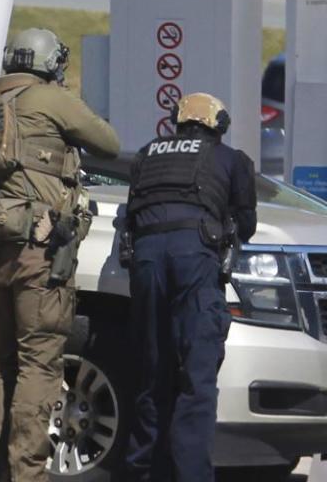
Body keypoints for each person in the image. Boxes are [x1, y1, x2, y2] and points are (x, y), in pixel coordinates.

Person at [0, 28, 120, 482]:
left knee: (0, 365)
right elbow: (107, 142)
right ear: (49, 61)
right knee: (39, 364)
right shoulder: (47, 98)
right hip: (40, 250)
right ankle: (27, 474)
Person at [121, 92, 256, 482]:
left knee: (151, 372)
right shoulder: (231, 159)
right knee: (196, 378)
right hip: (194, 259)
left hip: (146, 263)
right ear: (217, 125)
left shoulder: (147, 154)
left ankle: (142, 472)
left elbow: (132, 214)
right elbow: (244, 224)